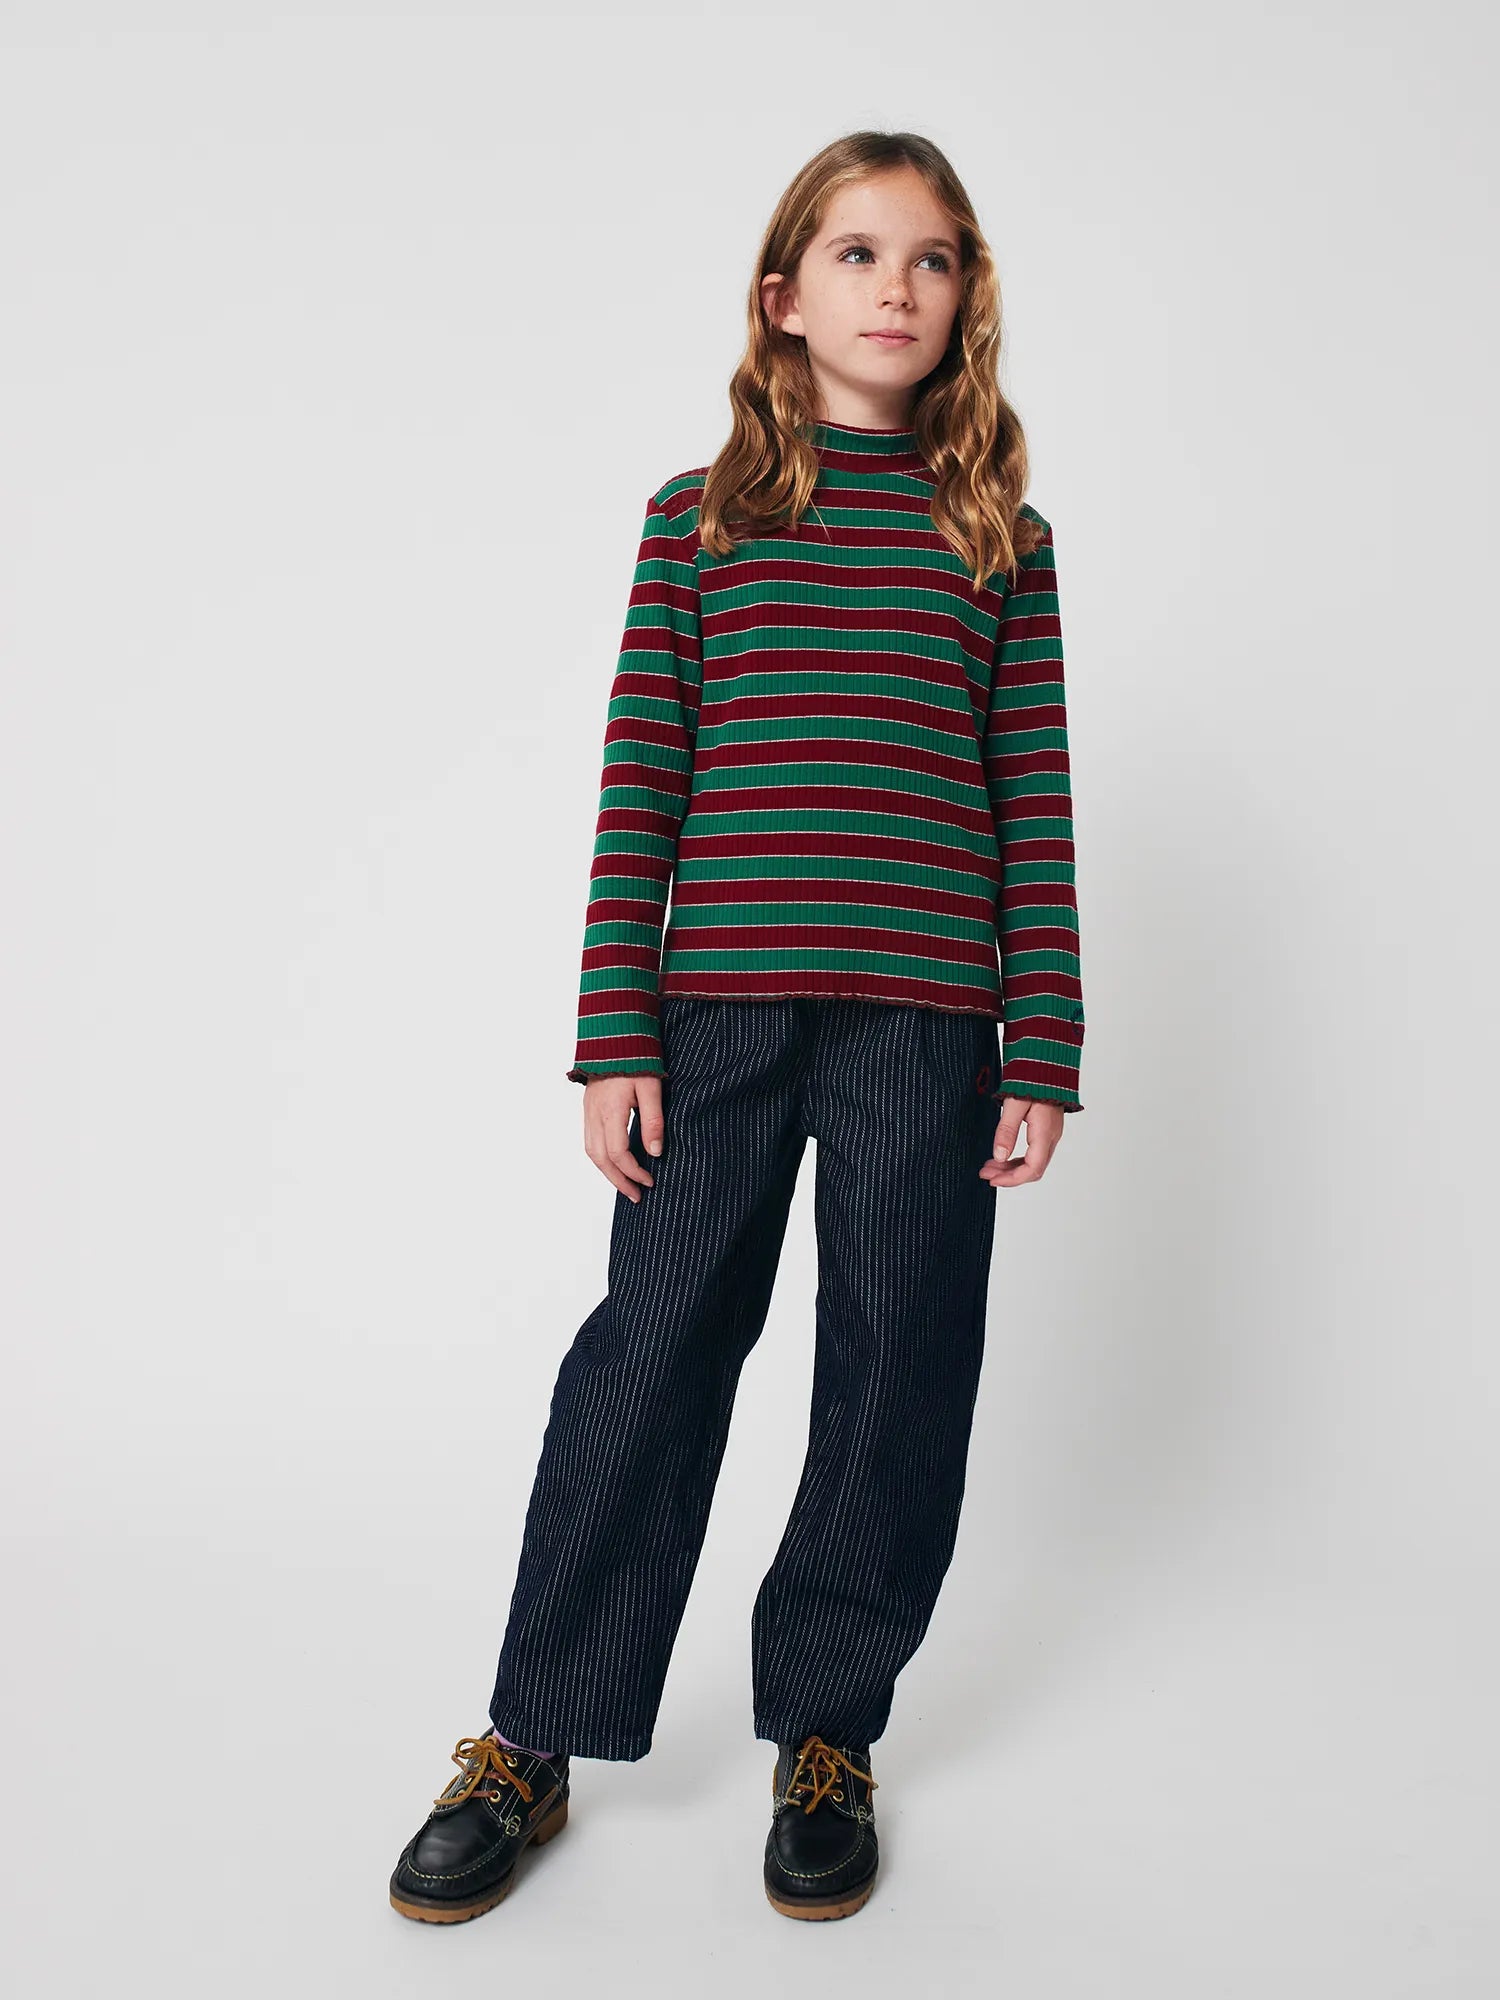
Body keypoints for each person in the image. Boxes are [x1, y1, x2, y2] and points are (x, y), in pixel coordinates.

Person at [389, 126, 1086, 1927]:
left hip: (927, 1022)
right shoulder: (696, 522)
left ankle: (828, 1731)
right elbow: (642, 784)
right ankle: (533, 1733)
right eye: (858, 254)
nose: (896, 288)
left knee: (898, 1362)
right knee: (652, 1350)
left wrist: (1044, 1042)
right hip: (715, 1013)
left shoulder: (999, 538)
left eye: (931, 260)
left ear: (966, 302)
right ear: (783, 296)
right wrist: (614, 1031)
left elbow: (1031, 796)